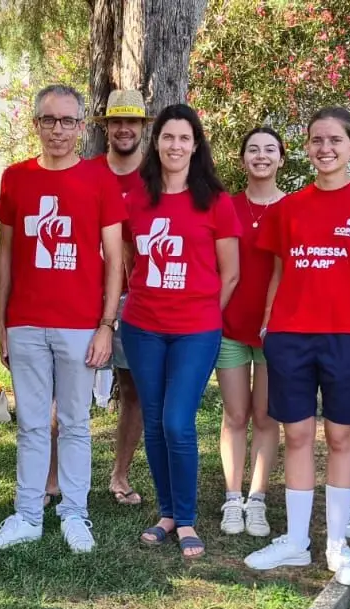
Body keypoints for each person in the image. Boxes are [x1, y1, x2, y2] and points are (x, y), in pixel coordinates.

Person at [244, 107, 350, 586]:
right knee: (295, 435)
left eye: (335, 140)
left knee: (342, 437)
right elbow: (277, 273)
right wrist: (270, 323)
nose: (325, 148)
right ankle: (295, 541)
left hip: (348, 337)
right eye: (316, 140)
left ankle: (335, 545)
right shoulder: (288, 209)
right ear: (307, 148)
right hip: (292, 335)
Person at [0, 84, 126, 554]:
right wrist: (2, 324)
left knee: (75, 422)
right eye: (49, 120)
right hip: (25, 322)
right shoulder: (15, 178)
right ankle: (27, 514)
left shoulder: (100, 180)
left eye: (68, 121)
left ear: (82, 126)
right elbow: (5, 256)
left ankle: (74, 512)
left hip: (80, 325)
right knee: (29, 423)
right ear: (36, 125)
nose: (58, 130)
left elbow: (113, 258)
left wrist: (107, 324)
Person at [123, 103, 241, 559]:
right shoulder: (137, 197)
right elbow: (132, 258)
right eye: (168, 137)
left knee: (178, 421)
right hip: (143, 328)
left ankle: (188, 518)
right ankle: (167, 512)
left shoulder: (215, 200)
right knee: (153, 421)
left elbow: (229, 274)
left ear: (196, 145)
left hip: (196, 330)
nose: (175, 145)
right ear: (157, 143)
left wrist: (205, 317)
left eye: (184, 138)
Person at [216, 127, 286, 538]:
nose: (261, 156)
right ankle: (232, 497)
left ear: (281, 159)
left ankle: (257, 500)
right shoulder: (225, 206)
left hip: (276, 329)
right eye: (253, 149)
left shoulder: (294, 208)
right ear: (243, 159)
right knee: (235, 414)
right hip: (230, 326)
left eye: (269, 150)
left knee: (265, 416)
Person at [91, 89, 150, 506]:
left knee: (133, 390)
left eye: (132, 122)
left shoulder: (157, 177)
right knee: (66, 391)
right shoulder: (86, 172)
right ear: (106, 127)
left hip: (136, 301)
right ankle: (53, 480)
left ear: (143, 128)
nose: (124, 128)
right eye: (116, 122)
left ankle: (120, 476)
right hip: (81, 298)